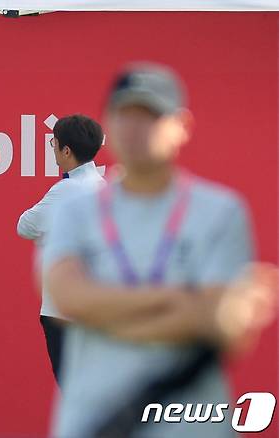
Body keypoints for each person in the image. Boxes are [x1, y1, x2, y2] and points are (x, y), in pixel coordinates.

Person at [41, 62, 277, 437]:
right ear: (109, 125)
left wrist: (107, 309)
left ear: (181, 127)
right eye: (125, 114)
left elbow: (219, 324)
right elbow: (70, 299)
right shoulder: (74, 209)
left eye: (150, 115)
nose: (136, 127)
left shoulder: (221, 211)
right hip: (97, 420)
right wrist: (186, 302)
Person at [17, 114, 105, 383]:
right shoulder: (106, 188)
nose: (52, 149)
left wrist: (49, 236)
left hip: (64, 312)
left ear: (66, 150)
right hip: (99, 309)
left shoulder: (65, 190)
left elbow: (24, 226)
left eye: (53, 143)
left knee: (75, 394)